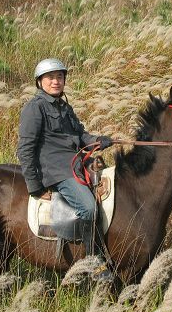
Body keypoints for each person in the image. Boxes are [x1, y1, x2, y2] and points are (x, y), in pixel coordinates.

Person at [17, 58, 114, 282]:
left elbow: (80, 136)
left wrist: (98, 140)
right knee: (89, 208)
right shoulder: (34, 108)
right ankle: (93, 264)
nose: (56, 81)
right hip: (57, 171)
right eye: (50, 77)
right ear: (40, 82)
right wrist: (35, 187)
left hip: (77, 165)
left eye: (59, 77)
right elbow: (25, 149)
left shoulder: (65, 107)